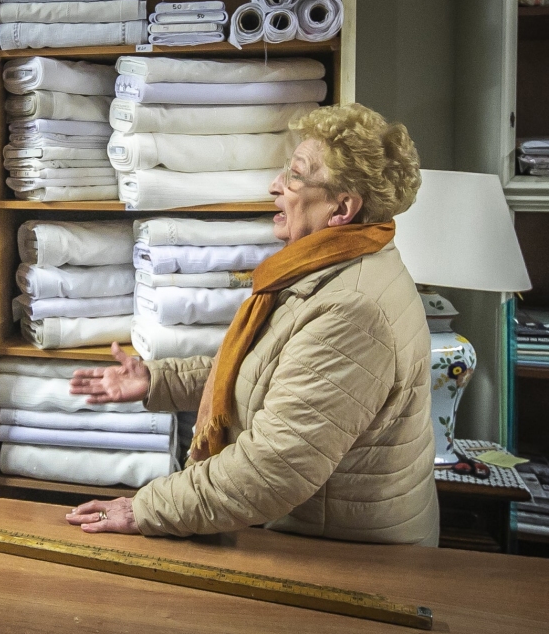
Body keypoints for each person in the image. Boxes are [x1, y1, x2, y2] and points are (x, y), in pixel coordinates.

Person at [67, 103, 439, 545]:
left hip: (351, 562)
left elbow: (275, 469)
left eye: (295, 176)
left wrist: (145, 507)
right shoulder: (329, 269)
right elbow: (267, 372)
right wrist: (155, 379)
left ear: (342, 208)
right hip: (320, 537)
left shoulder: (352, 308)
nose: (275, 186)